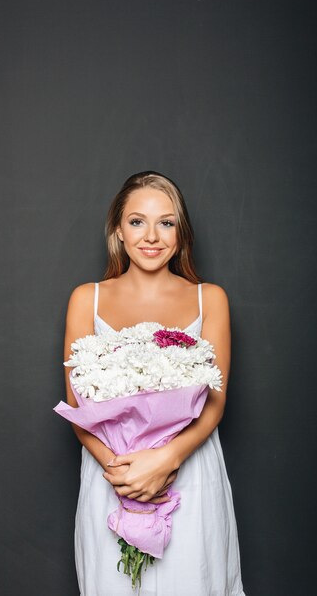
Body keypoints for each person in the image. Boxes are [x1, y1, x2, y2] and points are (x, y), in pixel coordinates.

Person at [63, 171, 246, 595]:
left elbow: (215, 404)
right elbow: (76, 407)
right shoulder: (85, 299)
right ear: (118, 232)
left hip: (189, 473)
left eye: (166, 222)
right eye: (137, 221)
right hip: (112, 477)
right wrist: (124, 474)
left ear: (180, 235)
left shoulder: (210, 299)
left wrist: (164, 461)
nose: (152, 236)